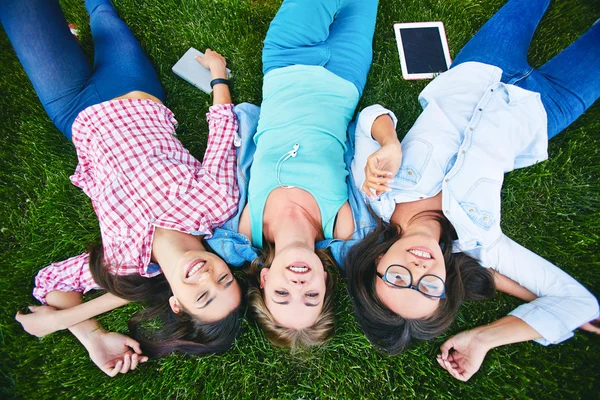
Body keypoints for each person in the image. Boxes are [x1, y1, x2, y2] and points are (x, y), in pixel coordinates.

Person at [345, 0, 600, 381]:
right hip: (543, 110)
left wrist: (389, 143)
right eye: (429, 287)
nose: (418, 269)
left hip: (477, 69)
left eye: (398, 278)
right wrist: (483, 339)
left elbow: (368, 117)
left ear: (376, 264)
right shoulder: (481, 241)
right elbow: (577, 303)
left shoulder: (376, 190)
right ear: (447, 284)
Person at [2, 0, 245, 376]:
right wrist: (218, 77)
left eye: (202, 295)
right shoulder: (215, 205)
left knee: (22, 10)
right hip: (133, 86)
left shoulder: (123, 265)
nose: (207, 276)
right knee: (102, 12)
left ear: (176, 304)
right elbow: (223, 133)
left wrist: (91, 336)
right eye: (224, 279)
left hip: (72, 112)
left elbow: (52, 282)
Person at [230, 0, 378, 348]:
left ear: (264, 280)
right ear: (325, 281)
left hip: (286, 61)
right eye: (311, 297)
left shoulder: (246, 226)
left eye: (282, 295)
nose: (298, 288)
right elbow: (360, 153)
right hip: (346, 76)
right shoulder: (342, 225)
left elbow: (236, 156)